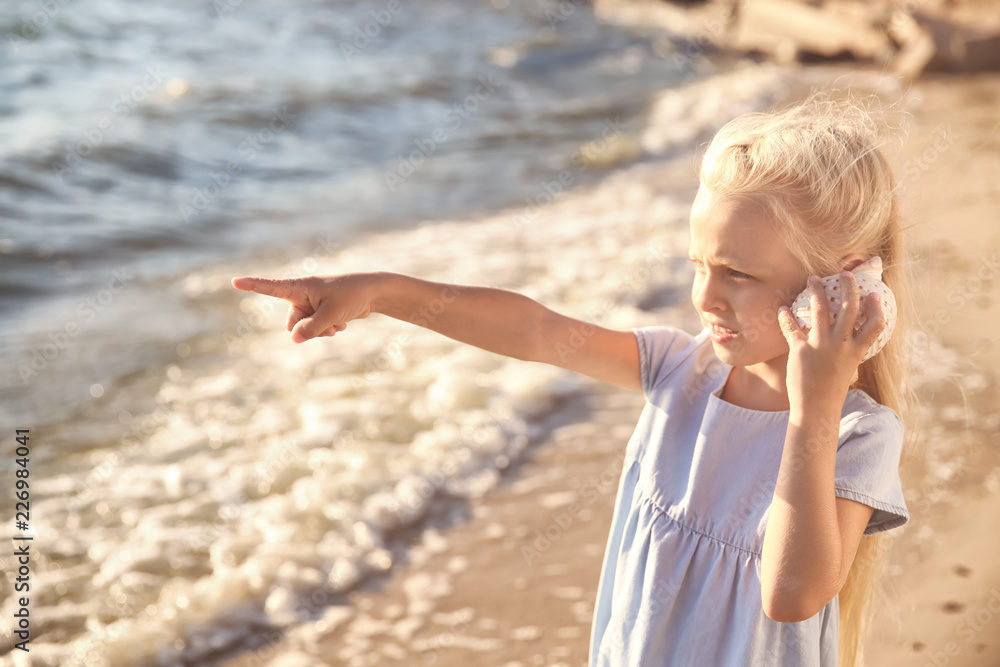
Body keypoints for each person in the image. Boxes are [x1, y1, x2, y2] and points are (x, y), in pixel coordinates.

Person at [231, 97, 912, 667]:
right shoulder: (683, 372)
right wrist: (381, 291)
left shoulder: (856, 433)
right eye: (698, 263)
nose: (705, 296)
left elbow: (790, 594)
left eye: (737, 273)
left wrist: (814, 403)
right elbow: (535, 330)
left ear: (841, 282)